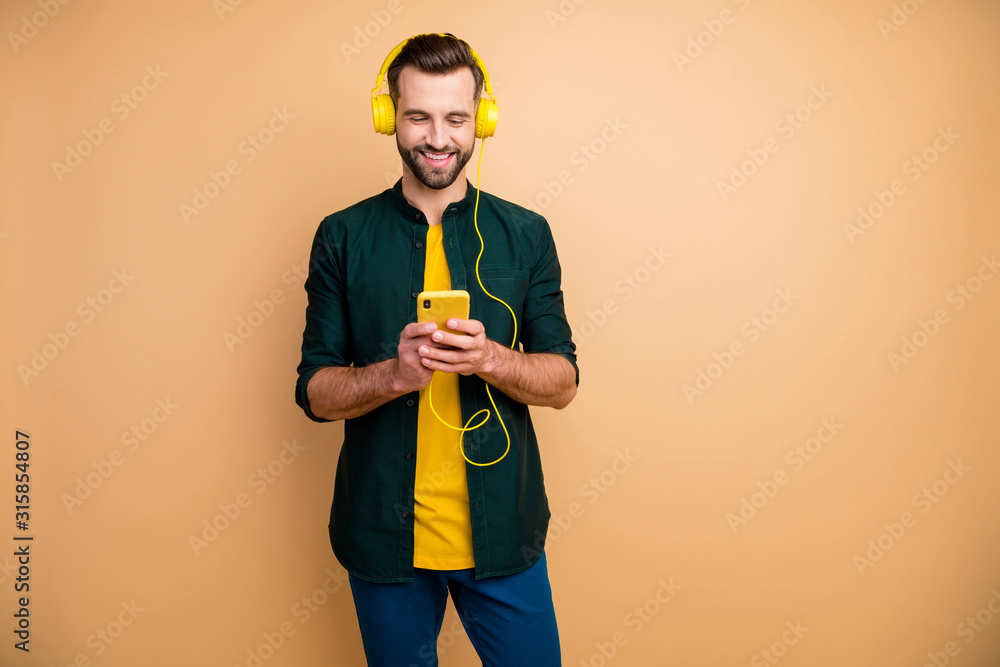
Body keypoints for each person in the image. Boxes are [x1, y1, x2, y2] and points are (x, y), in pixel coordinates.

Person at [295, 32, 578, 667]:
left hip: (503, 534)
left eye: (455, 117)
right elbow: (314, 391)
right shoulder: (342, 236)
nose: (438, 138)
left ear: (481, 118)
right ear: (388, 115)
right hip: (382, 540)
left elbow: (563, 381)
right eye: (418, 115)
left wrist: (490, 360)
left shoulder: (527, 234)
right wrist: (392, 377)